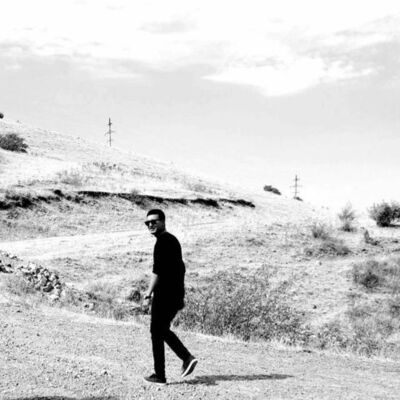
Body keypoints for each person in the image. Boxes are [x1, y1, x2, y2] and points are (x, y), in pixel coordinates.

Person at [143, 209, 198, 384]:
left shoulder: (163, 242)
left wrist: (148, 294)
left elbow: (157, 272)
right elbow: (180, 268)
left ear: (163, 221)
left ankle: (179, 362)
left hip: (165, 295)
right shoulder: (172, 240)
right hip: (174, 294)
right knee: (159, 330)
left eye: (154, 221)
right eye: (147, 223)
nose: (150, 225)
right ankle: (175, 364)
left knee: (157, 331)